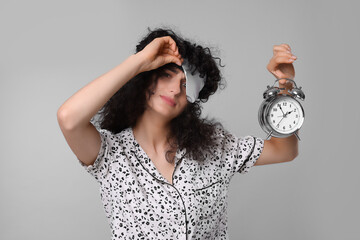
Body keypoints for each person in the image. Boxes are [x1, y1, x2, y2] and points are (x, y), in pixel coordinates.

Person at [57, 27, 298, 240]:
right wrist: (139, 62)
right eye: (165, 76)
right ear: (144, 79)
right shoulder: (111, 155)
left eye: (185, 85)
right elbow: (69, 118)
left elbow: (285, 149)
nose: (174, 90)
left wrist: (285, 84)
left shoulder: (215, 146)